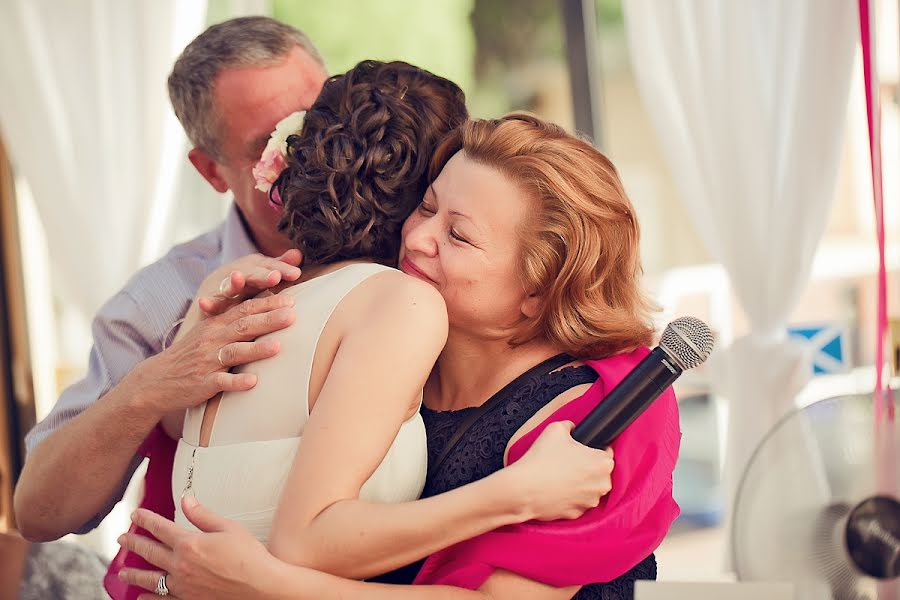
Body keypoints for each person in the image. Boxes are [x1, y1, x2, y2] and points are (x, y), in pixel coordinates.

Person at [119, 113, 681, 599]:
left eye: (458, 236)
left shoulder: (604, 411)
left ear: (538, 287)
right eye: (427, 207)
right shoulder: (384, 356)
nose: (416, 238)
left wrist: (270, 588)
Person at [12, 14, 326, 551]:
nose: (313, 155)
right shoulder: (159, 304)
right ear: (211, 171)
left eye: (317, 123)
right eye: (267, 145)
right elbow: (37, 512)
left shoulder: (424, 239)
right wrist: (154, 385)